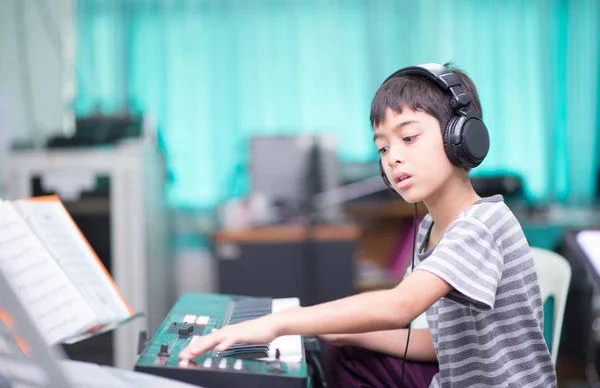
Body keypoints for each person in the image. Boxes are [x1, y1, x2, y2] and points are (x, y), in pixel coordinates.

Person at [179, 63, 557, 387]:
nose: (393, 158)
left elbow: (400, 307)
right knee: (350, 350)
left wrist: (281, 322)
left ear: (460, 138)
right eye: (384, 147)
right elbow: (438, 344)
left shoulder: (483, 223)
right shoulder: (429, 230)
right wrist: (343, 331)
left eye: (408, 138)